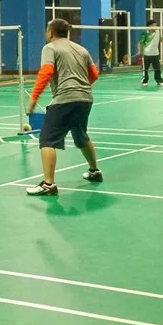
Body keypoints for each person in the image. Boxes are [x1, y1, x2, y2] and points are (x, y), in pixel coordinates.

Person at [26, 18, 102, 197]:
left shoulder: (50, 48)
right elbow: (94, 74)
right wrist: (80, 88)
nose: (45, 33)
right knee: (80, 136)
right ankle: (94, 171)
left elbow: (46, 73)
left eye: (47, 30)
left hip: (65, 99)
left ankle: (48, 185)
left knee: (47, 140)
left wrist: (33, 99)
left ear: (51, 32)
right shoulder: (81, 49)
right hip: (85, 98)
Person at [138, 19, 163, 87]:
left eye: (156, 25)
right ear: (149, 26)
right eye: (154, 25)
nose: (156, 27)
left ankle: (159, 81)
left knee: (157, 69)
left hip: (155, 54)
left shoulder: (158, 32)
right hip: (146, 54)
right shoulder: (145, 33)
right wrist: (139, 51)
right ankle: (144, 82)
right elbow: (140, 42)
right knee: (145, 70)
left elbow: (161, 40)